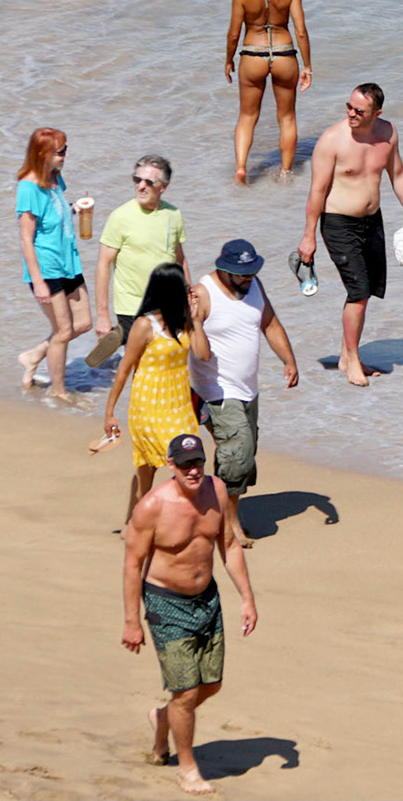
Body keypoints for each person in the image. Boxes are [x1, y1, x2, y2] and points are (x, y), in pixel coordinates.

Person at [121, 432, 258, 797]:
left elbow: (228, 545)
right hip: (166, 603)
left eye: (197, 462)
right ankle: (188, 769)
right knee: (185, 693)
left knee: (211, 684)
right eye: (184, 465)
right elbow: (133, 564)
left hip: (207, 599)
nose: (193, 471)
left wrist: (247, 598)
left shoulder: (215, 491)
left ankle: (164, 718)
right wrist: (132, 621)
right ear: (171, 466)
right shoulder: (152, 506)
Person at [295, 83, 403, 385]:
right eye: (349, 107)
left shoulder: (388, 133)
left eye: (360, 111)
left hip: (372, 221)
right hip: (338, 223)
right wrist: (309, 236)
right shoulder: (332, 140)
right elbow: (316, 191)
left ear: (377, 113)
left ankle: (346, 355)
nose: (352, 114)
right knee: (358, 292)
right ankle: (353, 361)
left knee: (366, 291)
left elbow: (398, 175)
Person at [189, 240, 300, 549]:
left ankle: (214, 510)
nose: (248, 277)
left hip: (249, 389)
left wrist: (289, 360)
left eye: (252, 272)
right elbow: (187, 340)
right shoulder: (203, 293)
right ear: (223, 269)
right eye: (241, 274)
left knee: (245, 456)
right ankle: (227, 523)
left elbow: (270, 324)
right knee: (236, 452)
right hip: (216, 390)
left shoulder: (254, 287)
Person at [104, 263, 210, 526]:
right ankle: (141, 525)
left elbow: (203, 355)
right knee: (154, 468)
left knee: (188, 460)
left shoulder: (185, 324)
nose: (191, 293)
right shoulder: (144, 325)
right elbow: (124, 368)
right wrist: (109, 413)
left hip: (180, 405)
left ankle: (145, 521)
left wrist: (196, 320)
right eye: (185, 289)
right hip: (148, 405)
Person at [224, 0, 312, 183]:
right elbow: (301, 31)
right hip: (285, 54)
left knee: (247, 116)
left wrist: (229, 59)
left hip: (253, 54)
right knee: (287, 118)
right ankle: (285, 173)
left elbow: (233, 34)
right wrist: (307, 66)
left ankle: (241, 168)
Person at [14, 127, 87, 399]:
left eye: (66, 149)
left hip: (69, 262)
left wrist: (75, 209)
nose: (65, 155)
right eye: (60, 152)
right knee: (64, 330)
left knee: (84, 323)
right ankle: (59, 391)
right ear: (43, 154)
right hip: (46, 268)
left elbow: (55, 213)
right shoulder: (28, 188)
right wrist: (39, 282)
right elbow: (26, 239)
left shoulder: (56, 178)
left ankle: (33, 355)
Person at [94, 154, 187, 349]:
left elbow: (179, 259)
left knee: (170, 361)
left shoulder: (174, 214)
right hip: (131, 307)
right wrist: (102, 316)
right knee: (142, 367)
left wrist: (188, 297)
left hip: (167, 305)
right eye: (137, 180)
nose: (141, 186)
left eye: (148, 182)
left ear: (164, 186)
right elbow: (103, 264)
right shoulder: (120, 217)